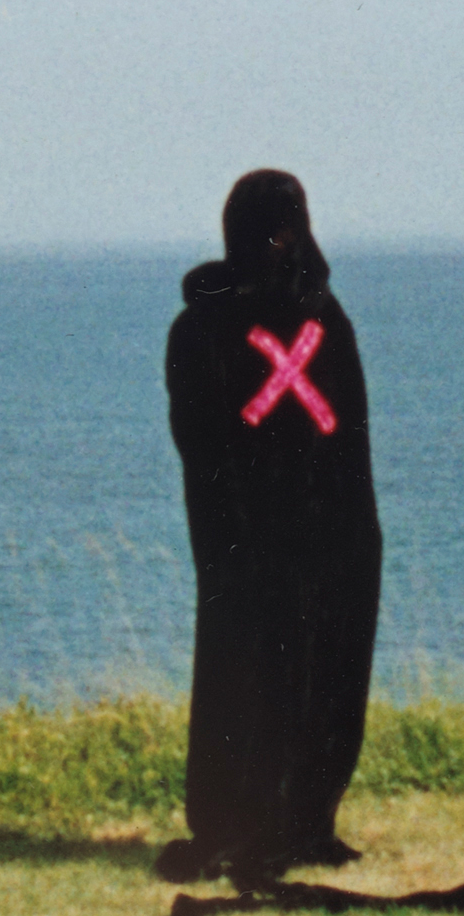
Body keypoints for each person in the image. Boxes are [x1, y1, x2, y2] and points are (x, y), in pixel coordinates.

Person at [161, 168, 381, 874]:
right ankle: (243, 815)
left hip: (314, 540)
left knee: (312, 674)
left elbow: (347, 435)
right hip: (261, 543)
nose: (283, 242)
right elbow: (204, 442)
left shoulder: (320, 319)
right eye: (277, 227)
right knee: (250, 672)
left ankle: (299, 812)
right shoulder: (213, 327)